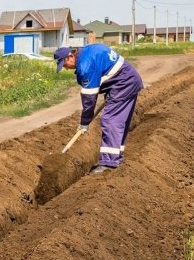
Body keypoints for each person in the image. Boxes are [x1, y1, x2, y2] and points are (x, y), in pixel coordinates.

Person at [54, 44, 144, 174]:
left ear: (70, 56)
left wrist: (84, 123)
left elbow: (89, 99)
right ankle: (115, 157)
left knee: (110, 120)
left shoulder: (85, 66)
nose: (66, 68)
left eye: (64, 64)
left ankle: (109, 163)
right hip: (126, 80)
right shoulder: (87, 50)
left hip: (123, 83)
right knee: (117, 121)